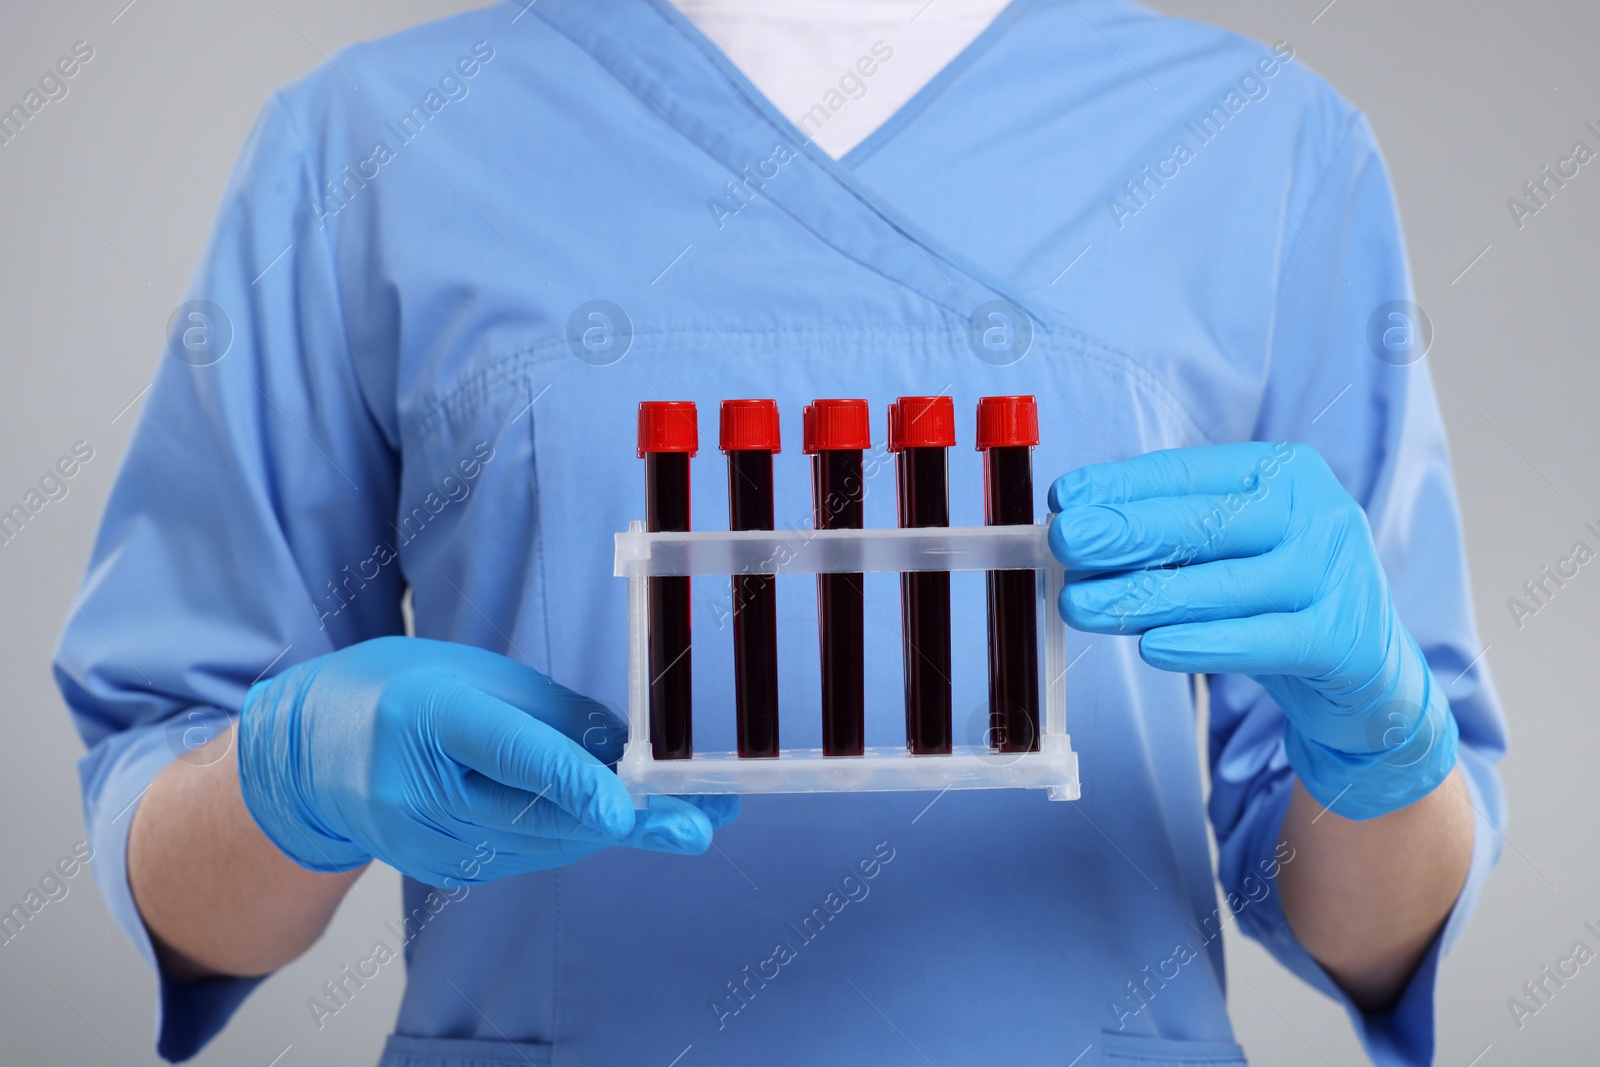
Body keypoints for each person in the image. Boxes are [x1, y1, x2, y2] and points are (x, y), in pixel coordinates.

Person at [54, 1, 1506, 1064]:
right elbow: (190, 896)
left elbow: (1370, 933)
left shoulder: (1263, 148)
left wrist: (1374, 740)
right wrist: (292, 781)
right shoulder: (370, 143)